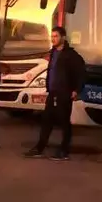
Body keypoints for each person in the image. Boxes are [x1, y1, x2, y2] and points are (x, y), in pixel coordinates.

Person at [24, 26, 85, 161]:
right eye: (52, 37)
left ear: (63, 37)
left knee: (64, 123)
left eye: (56, 36)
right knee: (46, 121)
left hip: (65, 93)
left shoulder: (72, 55)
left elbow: (80, 74)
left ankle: (64, 151)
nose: (53, 39)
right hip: (53, 93)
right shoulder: (53, 53)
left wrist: (76, 90)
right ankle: (39, 148)